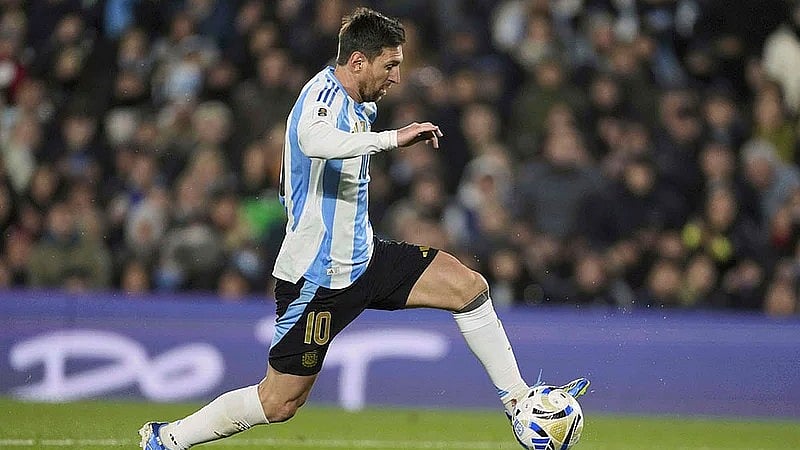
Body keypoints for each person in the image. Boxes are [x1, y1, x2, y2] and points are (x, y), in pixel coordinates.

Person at [139, 8, 589, 450]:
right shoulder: (321, 97)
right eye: (390, 65)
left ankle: (518, 402)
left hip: (364, 259)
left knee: (467, 286)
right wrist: (395, 138)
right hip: (317, 279)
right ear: (358, 62)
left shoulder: (359, 104)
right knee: (278, 404)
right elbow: (314, 141)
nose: (396, 77)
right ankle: (168, 438)